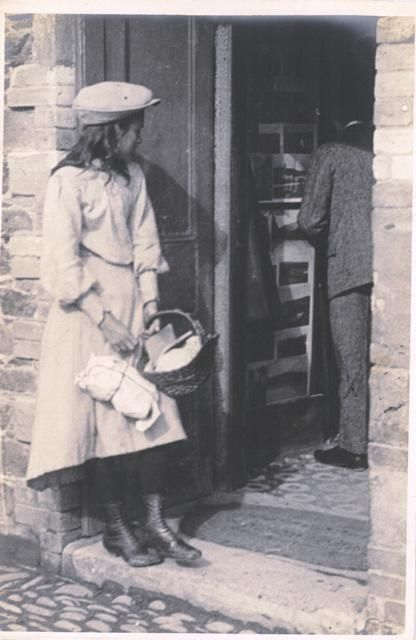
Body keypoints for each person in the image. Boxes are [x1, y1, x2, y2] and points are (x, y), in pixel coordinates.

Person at [26, 81, 201, 565]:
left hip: (132, 312)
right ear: (111, 131)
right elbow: (62, 263)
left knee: (155, 421)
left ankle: (155, 522)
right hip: (88, 318)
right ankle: (116, 529)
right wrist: (105, 321)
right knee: (105, 425)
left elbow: (146, 242)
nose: (140, 137)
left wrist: (149, 305)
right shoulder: (67, 182)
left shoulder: (132, 175)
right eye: (135, 128)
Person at [297, 120, 373, 470]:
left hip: (346, 270)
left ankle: (354, 445)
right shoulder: (378, 154)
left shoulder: (330, 153)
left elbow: (310, 219)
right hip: (384, 267)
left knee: (351, 360)